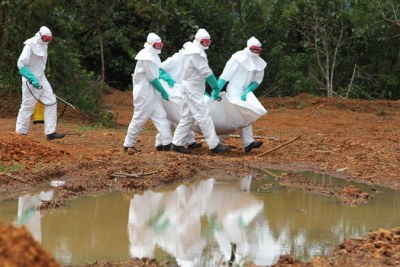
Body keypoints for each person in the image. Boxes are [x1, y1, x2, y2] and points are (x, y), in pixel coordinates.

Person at [171, 29, 231, 154]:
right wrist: (216, 88)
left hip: (190, 87)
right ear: (198, 41)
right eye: (204, 42)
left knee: (188, 117)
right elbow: (207, 73)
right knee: (204, 115)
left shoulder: (190, 51)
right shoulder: (196, 53)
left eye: (208, 42)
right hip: (192, 89)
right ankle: (214, 145)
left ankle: (176, 143)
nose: (206, 45)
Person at [123, 32, 172, 153]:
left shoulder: (154, 56)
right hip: (143, 93)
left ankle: (167, 143)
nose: (159, 48)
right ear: (150, 45)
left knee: (161, 116)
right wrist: (164, 92)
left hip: (152, 93)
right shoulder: (146, 57)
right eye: (156, 45)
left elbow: (157, 74)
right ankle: (128, 144)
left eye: (160, 45)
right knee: (139, 118)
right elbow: (153, 78)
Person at [216, 36, 267, 152]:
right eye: (254, 49)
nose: (256, 52)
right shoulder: (237, 58)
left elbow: (257, 80)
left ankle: (248, 143)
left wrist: (248, 91)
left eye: (258, 50)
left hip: (245, 91)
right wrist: (216, 90)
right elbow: (225, 76)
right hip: (234, 88)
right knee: (236, 114)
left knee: (246, 114)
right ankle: (217, 140)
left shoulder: (259, 63)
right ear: (249, 48)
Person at [16, 26, 65, 140]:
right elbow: (20, 64)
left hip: (42, 79)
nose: (47, 41)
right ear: (40, 36)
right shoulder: (29, 45)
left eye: (49, 39)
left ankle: (50, 132)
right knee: (28, 107)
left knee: (51, 101)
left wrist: (39, 78)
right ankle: (20, 134)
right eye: (46, 39)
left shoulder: (44, 45)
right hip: (31, 81)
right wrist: (32, 78)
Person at [155, 43, 202, 151]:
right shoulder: (175, 59)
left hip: (178, 91)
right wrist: (167, 78)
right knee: (179, 116)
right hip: (171, 91)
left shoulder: (187, 60)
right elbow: (159, 68)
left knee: (177, 117)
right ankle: (163, 142)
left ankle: (189, 141)